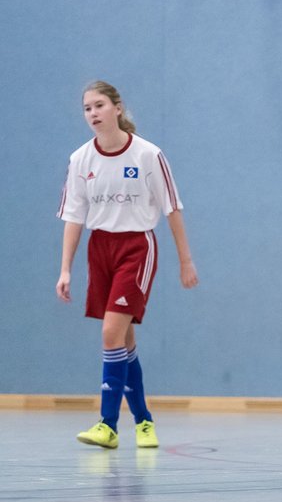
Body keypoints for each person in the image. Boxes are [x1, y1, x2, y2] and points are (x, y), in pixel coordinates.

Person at [57, 81, 198, 450]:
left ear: (117, 108)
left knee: (109, 335)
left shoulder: (148, 155)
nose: (93, 113)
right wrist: (66, 269)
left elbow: (172, 209)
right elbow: (73, 216)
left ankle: (108, 424)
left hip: (137, 247)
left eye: (99, 105)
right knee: (124, 340)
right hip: (100, 247)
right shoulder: (80, 160)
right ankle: (145, 422)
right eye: (87, 108)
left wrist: (186, 261)